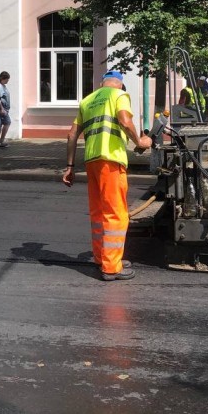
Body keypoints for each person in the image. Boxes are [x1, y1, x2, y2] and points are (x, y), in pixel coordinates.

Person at [62, 69, 152, 281]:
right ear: (119, 84)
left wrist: (69, 166)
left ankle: (102, 257)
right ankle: (112, 267)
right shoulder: (119, 95)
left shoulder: (87, 100)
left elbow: (72, 134)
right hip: (111, 160)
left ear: (103, 83)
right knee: (116, 213)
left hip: (92, 161)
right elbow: (124, 120)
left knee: (98, 213)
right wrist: (140, 142)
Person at [0, 71, 12, 148]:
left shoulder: (3, 85)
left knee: (0, 124)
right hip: (2, 109)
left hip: (4, 109)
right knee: (7, 122)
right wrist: (1, 108)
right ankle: (0, 140)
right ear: (2, 78)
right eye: (7, 79)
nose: (8, 81)